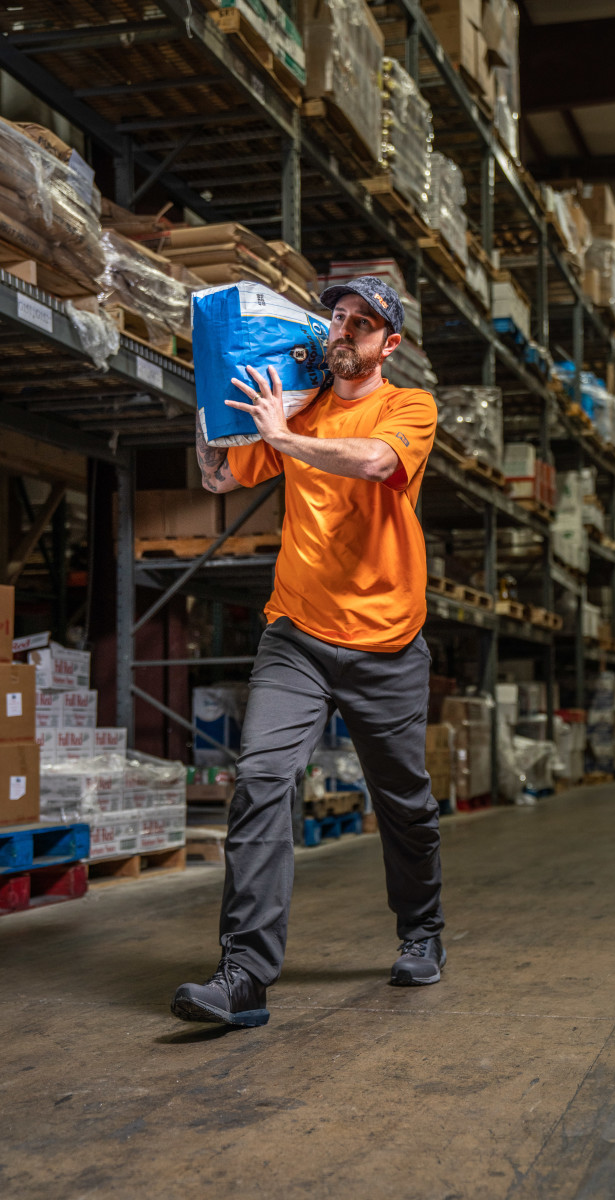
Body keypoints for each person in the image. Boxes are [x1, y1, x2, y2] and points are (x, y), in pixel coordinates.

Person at [172, 276, 445, 1028]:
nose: (344, 330)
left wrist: (286, 437)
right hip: (296, 633)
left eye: (363, 324)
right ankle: (244, 976)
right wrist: (213, 388)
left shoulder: (408, 407)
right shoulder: (299, 401)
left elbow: (377, 463)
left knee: (405, 802)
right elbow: (218, 475)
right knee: (262, 780)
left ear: (389, 345)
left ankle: (422, 930)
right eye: (339, 317)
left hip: (387, 641)